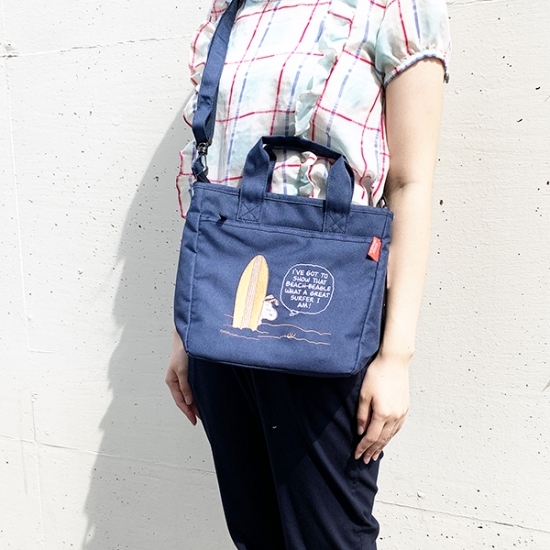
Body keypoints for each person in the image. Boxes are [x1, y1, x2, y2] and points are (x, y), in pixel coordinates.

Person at [166, 0, 451, 548]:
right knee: (255, 535)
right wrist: (185, 328)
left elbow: (410, 183)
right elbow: (212, 171)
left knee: (328, 538)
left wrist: (396, 357)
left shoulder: (392, 8)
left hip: (326, 324)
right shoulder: (234, 11)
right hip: (220, 322)